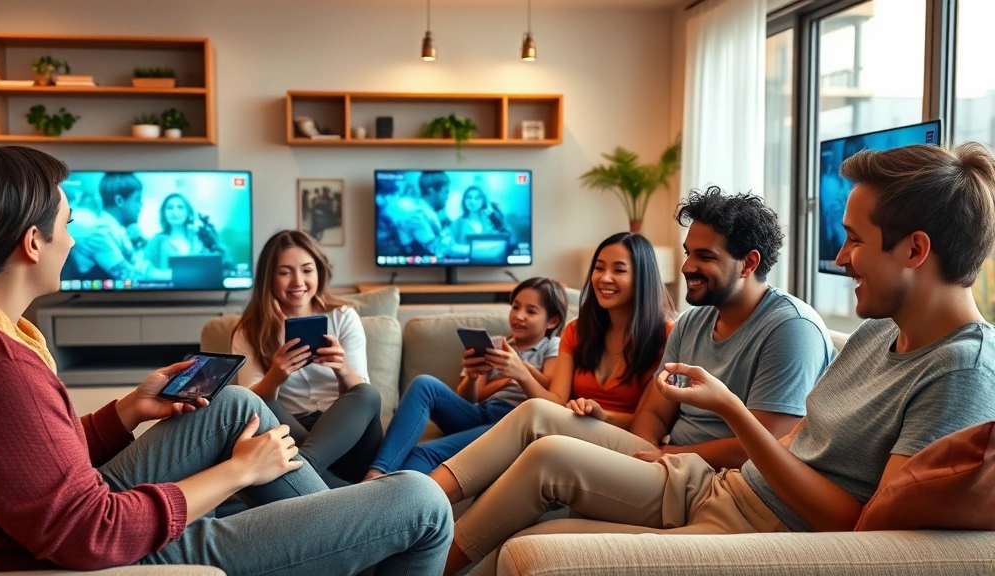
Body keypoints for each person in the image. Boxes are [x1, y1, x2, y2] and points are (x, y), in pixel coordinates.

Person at [430, 143, 995, 576]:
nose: (842, 258)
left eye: (853, 240)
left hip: (766, 524)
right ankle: (414, 535)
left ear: (915, 250)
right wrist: (671, 453)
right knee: (545, 457)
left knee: (522, 552)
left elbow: (862, 530)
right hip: (726, 487)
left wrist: (729, 408)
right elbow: (804, 443)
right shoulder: (878, 333)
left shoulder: (960, 371)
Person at [0, 145, 453, 575]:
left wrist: (128, 409)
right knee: (421, 500)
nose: (73, 241)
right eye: (68, 225)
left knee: (236, 402)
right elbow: (92, 532)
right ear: (33, 242)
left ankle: (353, 537)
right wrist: (239, 472)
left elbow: (38, 455)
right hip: (82, 544)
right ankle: (367, 541)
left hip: (68, 519)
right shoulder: (0, 364)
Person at [628, 187, 835, 470]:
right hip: (664, 459)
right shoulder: (690, 322)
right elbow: (652, 411)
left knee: (554, 456)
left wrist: (670, 455)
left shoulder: (792, 330)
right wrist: (647, 452)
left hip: (714, 478)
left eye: (706, 256)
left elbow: (767, 446)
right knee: (547, 417)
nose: (687, 266)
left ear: (748, 263)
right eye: (689, 253)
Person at [364, 277, 568, 479]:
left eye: (531, 311)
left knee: (423, 452)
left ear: (553, 321)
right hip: (480, 413)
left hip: (512, 422)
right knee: (424, 383)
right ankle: (377, 472)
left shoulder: (554, 346)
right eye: (515, 307)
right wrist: (472, 376)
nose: (519, 316)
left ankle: (384, 494)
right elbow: (471, 398)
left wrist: (521, 371)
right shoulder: (495, 343)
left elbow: (550, 392)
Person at [232, 230, 383, 488]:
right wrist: (275, 377)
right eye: (285, 272)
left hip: (347, 435)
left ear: (319, 272)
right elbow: (248, 404)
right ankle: (332, 487)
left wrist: (342, 369)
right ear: (269, 277)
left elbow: (361, 400)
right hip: (294, 432)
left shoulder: (343, 317)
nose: (297, 281)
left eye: (307, 270)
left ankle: (304, 470)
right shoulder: (250, 330)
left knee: (367, 394)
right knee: (257, 403)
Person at [144, 192, 231, 269]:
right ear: (164, 213)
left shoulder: (200, 239)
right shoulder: (156, 242)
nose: (175, 212)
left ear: (188, 213)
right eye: (170, 208)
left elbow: (222, 262)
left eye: (180, 207)